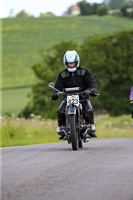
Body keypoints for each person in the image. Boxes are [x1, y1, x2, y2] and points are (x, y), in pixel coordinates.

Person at [51, 50, 98, 140]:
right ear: (65, 63)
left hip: (82, 98)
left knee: (88, 110)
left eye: (73, 63)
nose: (71, 65)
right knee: (60, 111)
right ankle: (62, 131)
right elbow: (58, 86)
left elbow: (92, 82)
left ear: (77, 62)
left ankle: (90, 129)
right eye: (69, 63)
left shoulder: (85, 72)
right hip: (67, 98)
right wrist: (55, 94)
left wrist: (93, 89)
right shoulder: (62, 74)